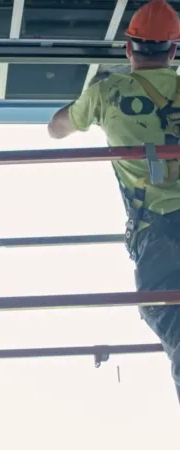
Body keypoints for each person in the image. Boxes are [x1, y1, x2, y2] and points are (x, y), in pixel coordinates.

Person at [47, 0, 180, 403]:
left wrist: (93, 103)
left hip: (157, 237)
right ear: (174, 51)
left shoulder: (107, 93)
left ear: (128, 49)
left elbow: (56, 128)